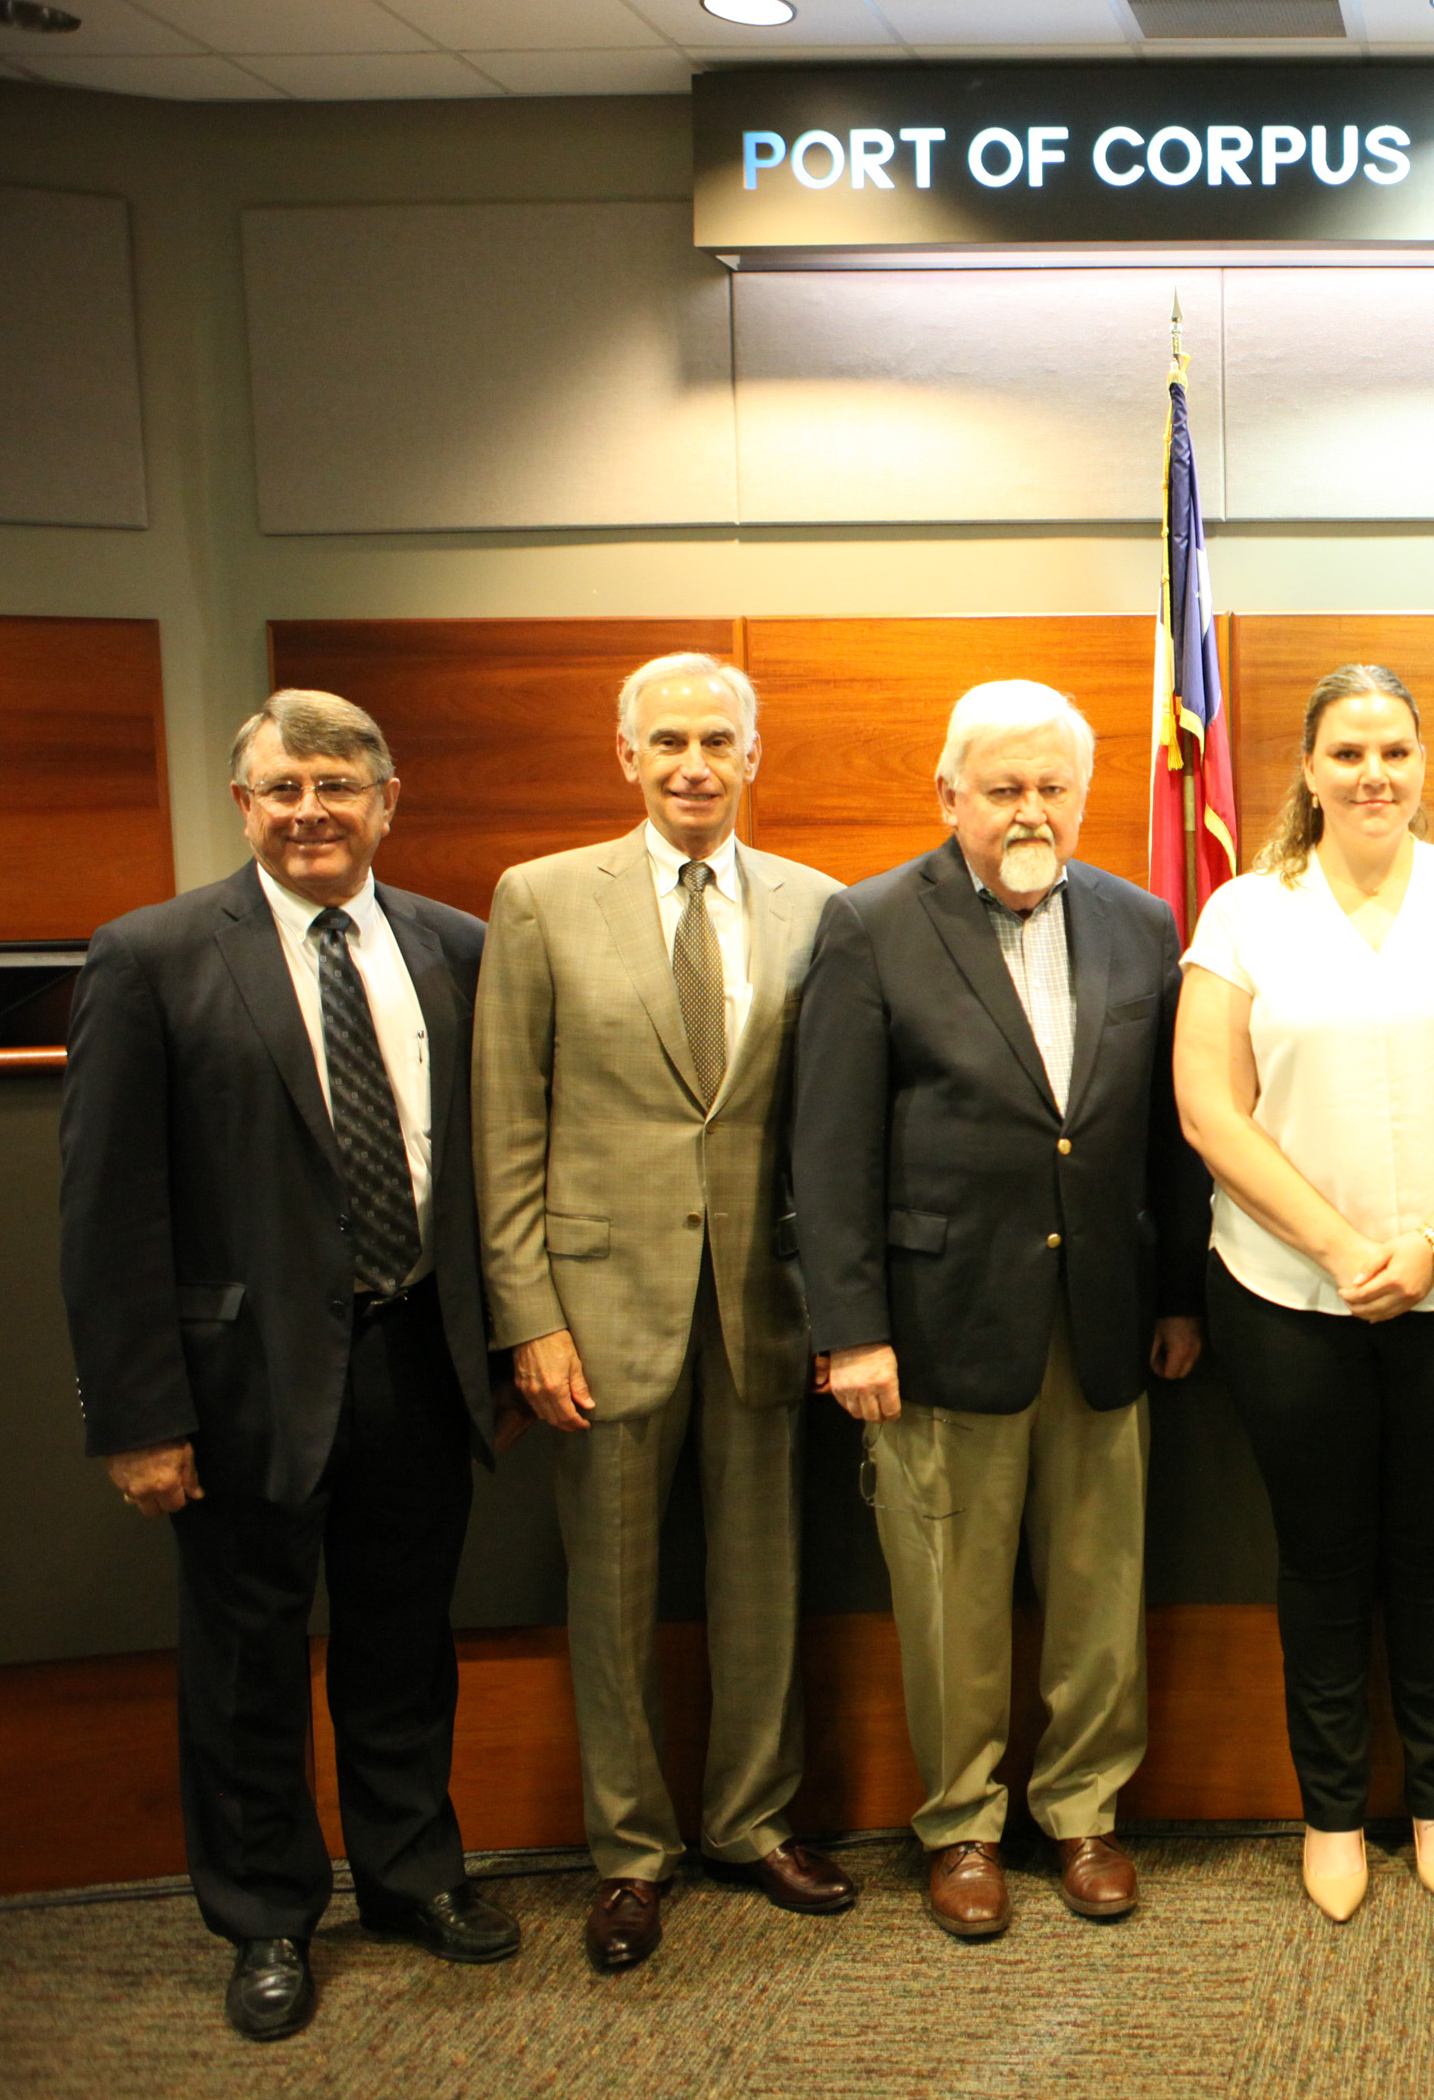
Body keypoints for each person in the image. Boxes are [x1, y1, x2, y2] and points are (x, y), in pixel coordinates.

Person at [59, 690, 525, 2040]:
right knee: (245, 1661)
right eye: (283, 788)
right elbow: (107, 1210)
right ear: (243, 804)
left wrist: (497, 1349)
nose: (311, 811)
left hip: (416, 1357)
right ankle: (264, 1912)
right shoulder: (150, 955)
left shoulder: (457, 946)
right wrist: (138, 1416)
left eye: (337, 785)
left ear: (388, 800)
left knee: (404, 1640)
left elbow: (489, 1164)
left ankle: (411, 1874)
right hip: (239, 1383)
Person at [790, 680, 1207, 1941]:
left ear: (1082, 796)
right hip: (937, 1325)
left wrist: (1177, 1297)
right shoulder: (869, 923)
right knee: (949, 1598)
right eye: (1003, 788)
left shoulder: (1141, 922)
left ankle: (1083, 1812)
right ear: (949, 796)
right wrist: (848, 1330)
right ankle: (961, 1826)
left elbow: (1163, 1138)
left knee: (1099, 1589)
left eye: (1052, 788)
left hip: (1102, 1318)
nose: (1030, 810)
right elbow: (829, 1147)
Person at [473, 653, 851, 1970]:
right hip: (598, 1311)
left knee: (763, 1585)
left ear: (753, 756)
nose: (694, 764)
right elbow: (505, 1124)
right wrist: (528, 1316)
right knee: (614, 1596)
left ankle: (752, 1820)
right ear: (625, 755)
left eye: (717, 741)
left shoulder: (817, 905)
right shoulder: (539, 899)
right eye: (669, 741)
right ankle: (629, 1853)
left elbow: (828, 1124)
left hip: (763, 1305)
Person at [1172, 663, 1434, 1923]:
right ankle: (1332, 1815)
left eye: (1393, 750)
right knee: (1321, 1559)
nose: (1372, 775)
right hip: (1286, 1294)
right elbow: (1208, 1108)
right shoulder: (1245, 912)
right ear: (1308, 767)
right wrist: (1342, 1248)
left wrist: (1433, 1243)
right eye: (1346, 753)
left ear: (1421, 760)